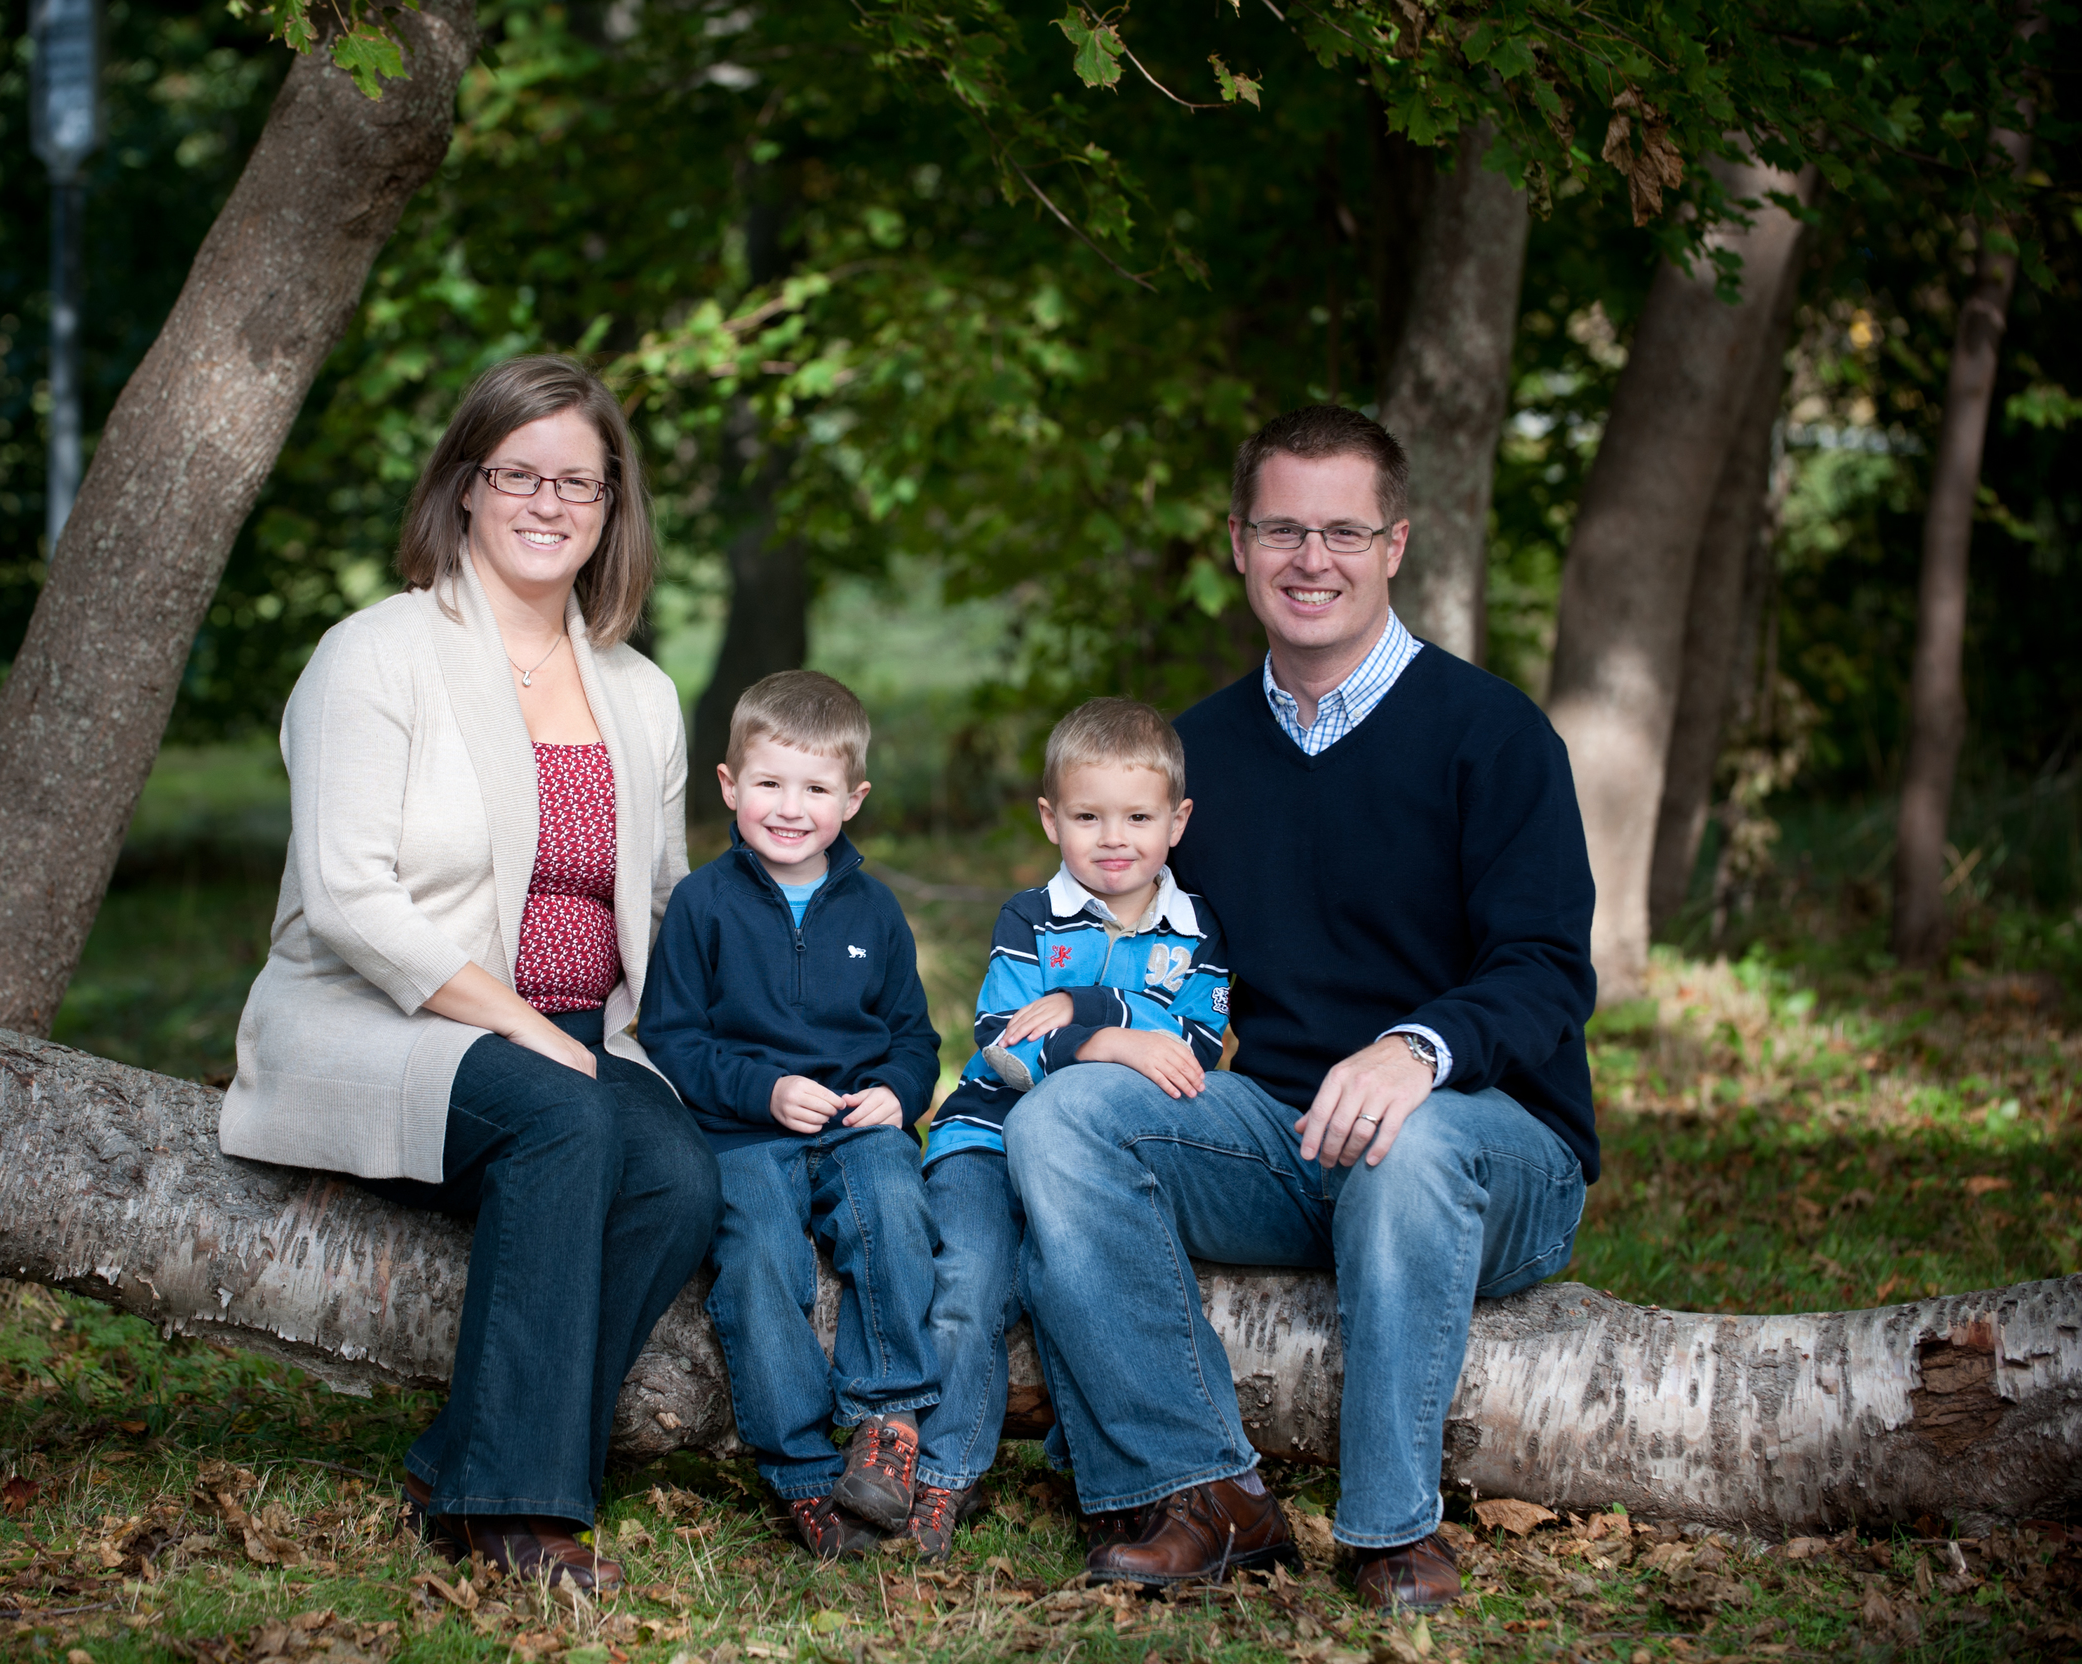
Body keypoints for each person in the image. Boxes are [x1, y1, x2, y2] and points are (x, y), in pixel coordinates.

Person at [1008, 405, 1599, 1610]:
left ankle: (1389, 1531)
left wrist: (1416, 1049)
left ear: (1395, 543)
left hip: (1493, 1146)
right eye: (1282, 526)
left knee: (1407, 1130)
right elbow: (1125, 939)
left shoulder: (1491, 734)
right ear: (1237, 540)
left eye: (1342, 529)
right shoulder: (1198, 755)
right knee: (1061, 1122)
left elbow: (1545, 967)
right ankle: (1206, 1493)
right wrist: (1091, 1033)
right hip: (1281, 1132)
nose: (1309, 557)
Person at [219, 355, 722, 1593]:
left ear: (611, 509)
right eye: (520, 475)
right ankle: (513, 1511)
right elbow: (348, 897)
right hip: (388, 1011)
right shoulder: (375, 654)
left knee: (679, 1174)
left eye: (581, 483)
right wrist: (522, 1029)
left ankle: (463, 1451)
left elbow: (659, 903)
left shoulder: (640, 692)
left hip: (582, 1023)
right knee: (564, 1116)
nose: (549, 504)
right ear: (463, 488)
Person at [912, 697, 1232, 1562]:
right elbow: (1000, 1045)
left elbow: (1194, 1046)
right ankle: (943, 1477)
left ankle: (1105, 1479)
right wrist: (1115, 1040)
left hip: (1096, 1164)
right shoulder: (1032, 918)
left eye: (1137, 816)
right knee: (969, 1283)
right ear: (1052, 819)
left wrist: (1089, 1013)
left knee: (1074, 1280)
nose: (1112, 837)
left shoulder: (1196, 934)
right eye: (1087, 816)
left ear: (1178, 822)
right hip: (985, 1140)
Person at [638, 671, 944, 1560]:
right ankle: (803, 1469)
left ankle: (887, 1421)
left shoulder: (875, 911)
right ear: (729, 787)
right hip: (742, 1133)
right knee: (760, 1256)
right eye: (768, 784)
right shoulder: (703, 904)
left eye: (815, 789)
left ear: (853, 799)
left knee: (893, 1203)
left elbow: (913, 1036)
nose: (789, 807)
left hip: (855, 1124)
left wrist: (900, 1089)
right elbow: (674, 1039)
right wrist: (761, 1091)